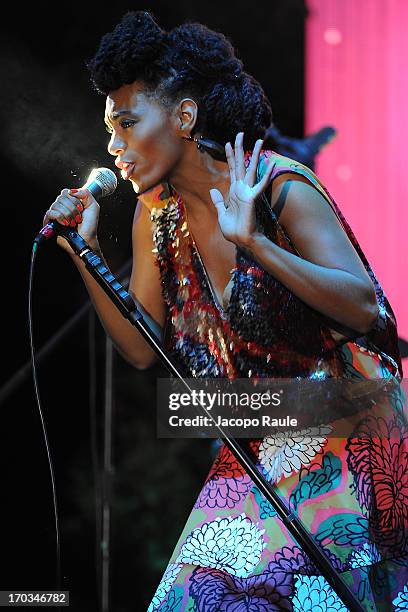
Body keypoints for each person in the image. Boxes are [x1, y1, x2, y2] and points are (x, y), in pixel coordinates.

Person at [43, 11, 408, 611]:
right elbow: (140, 347)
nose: (115, 147)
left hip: (349, 421)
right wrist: (82, 250)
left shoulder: (277, 183)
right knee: (189, 599)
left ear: (184, 117)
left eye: (128, 123)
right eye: (110, 130)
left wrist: (258, 245)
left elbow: (366, 305)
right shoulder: (155, 214)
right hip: (264, 431)